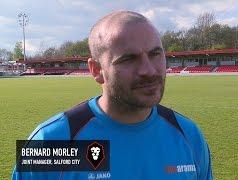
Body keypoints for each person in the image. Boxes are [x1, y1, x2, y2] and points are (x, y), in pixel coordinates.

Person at [12, 10, 213, 180]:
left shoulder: (189, 135)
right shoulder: (52, 142)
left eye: (155, 54)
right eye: (128, 59)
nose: (149, 70)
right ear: (97, 70)